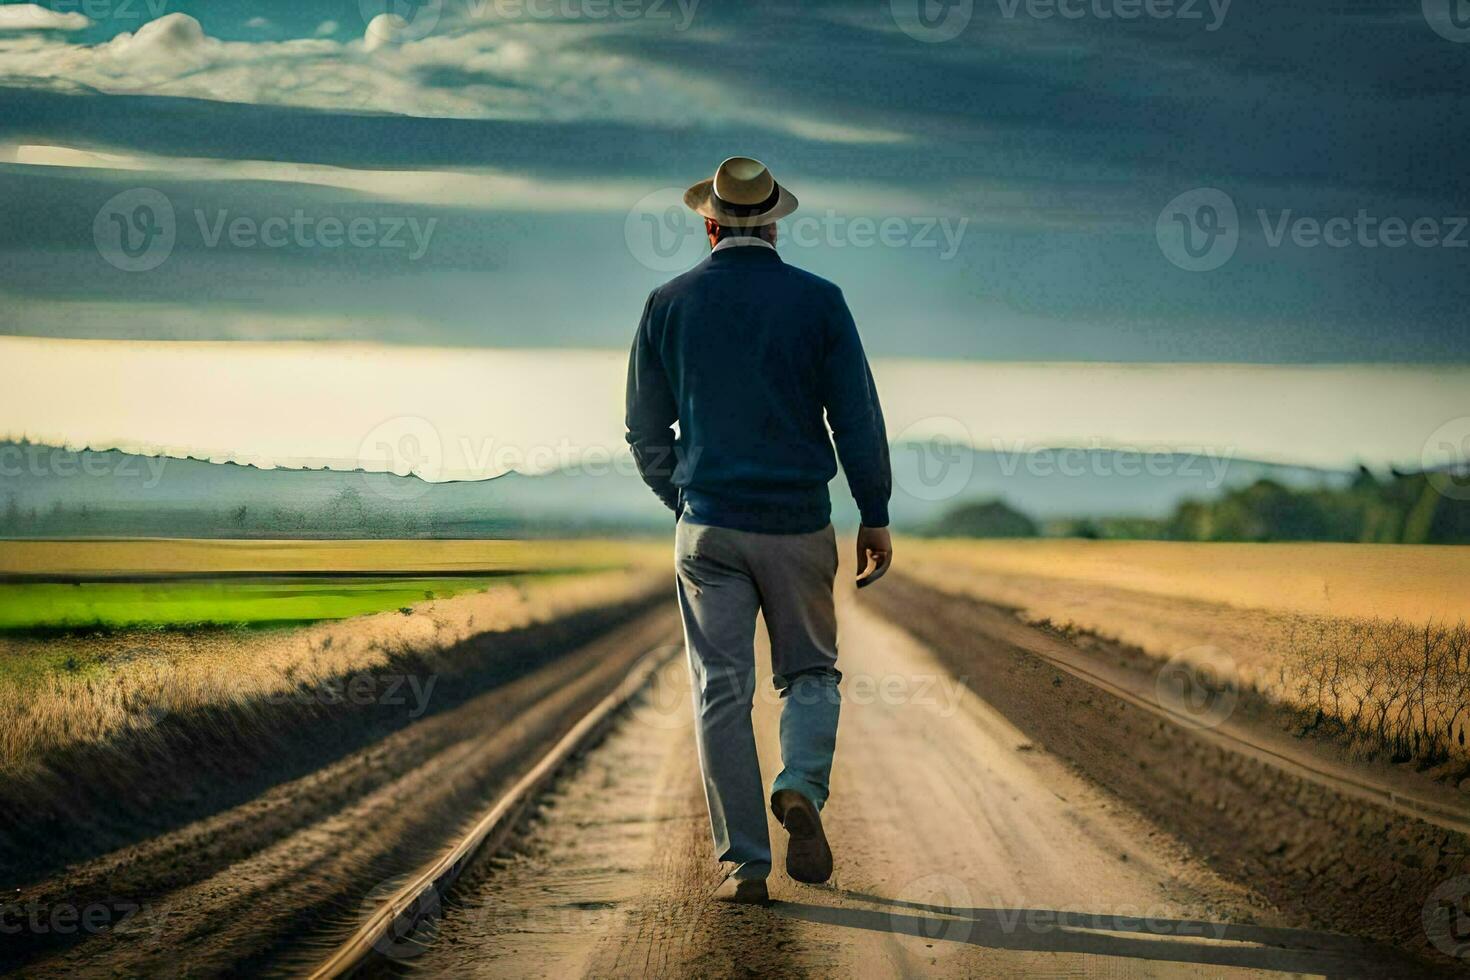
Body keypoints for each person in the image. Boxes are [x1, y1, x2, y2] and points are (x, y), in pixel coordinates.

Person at [625, 157, 894, 904]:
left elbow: (644, 428)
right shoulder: (821, 302)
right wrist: (874, 511)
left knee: (721, 691)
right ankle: (800, 781)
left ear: (708, 224)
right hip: (799, 522)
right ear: (775, 222)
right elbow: (858, 420)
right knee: (809, 673)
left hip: (708, 526)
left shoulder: (666, 303)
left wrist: (682, 497)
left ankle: (744, 864)